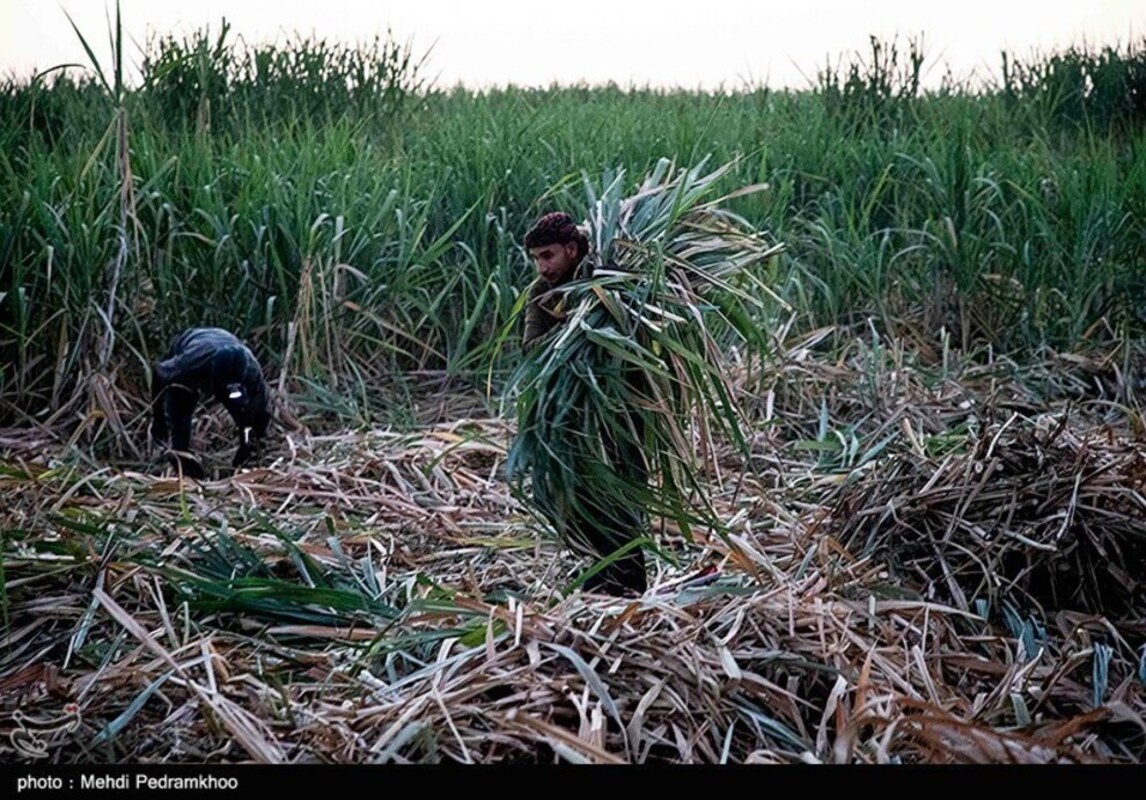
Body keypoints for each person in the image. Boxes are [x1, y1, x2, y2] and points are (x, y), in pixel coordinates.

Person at [520, 212, 650, 597]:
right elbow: (530, 350)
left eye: (549, 256)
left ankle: (630, 592)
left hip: (620, 414)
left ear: (573, 249)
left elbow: (637, 339)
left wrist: (596, 327)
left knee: (621, 500)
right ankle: (595, 592)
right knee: (578, 502)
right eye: (537, 259)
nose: (543, 267)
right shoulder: (540, 295)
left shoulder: (611, 282)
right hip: (570, 417)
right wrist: (572, 331)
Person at [149, 327, 271, 479]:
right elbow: (159, 373)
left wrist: (248, 444)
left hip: (223, 346)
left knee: (245, 413)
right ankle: (185, 467)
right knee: (180, 421)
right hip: (194, 345)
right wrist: (158, 418)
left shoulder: (252, 373)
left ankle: (242, 459)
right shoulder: (189, 364)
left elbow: (260, 414)